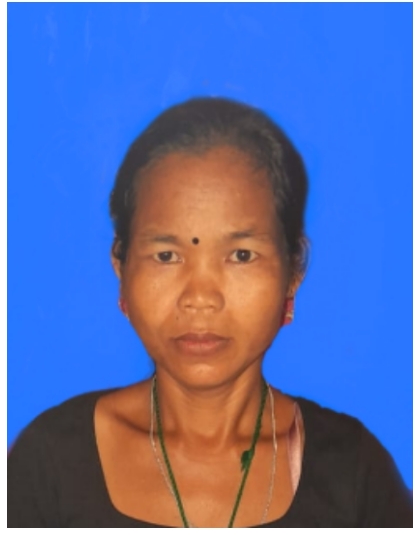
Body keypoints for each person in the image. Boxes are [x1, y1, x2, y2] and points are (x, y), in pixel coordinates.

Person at [7, 98, 412, 528]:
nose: (200, 298)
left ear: (293, 272)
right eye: (166, 256)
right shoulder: (49, 464)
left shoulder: (356, 475)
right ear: (121, 270)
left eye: (241, 255)